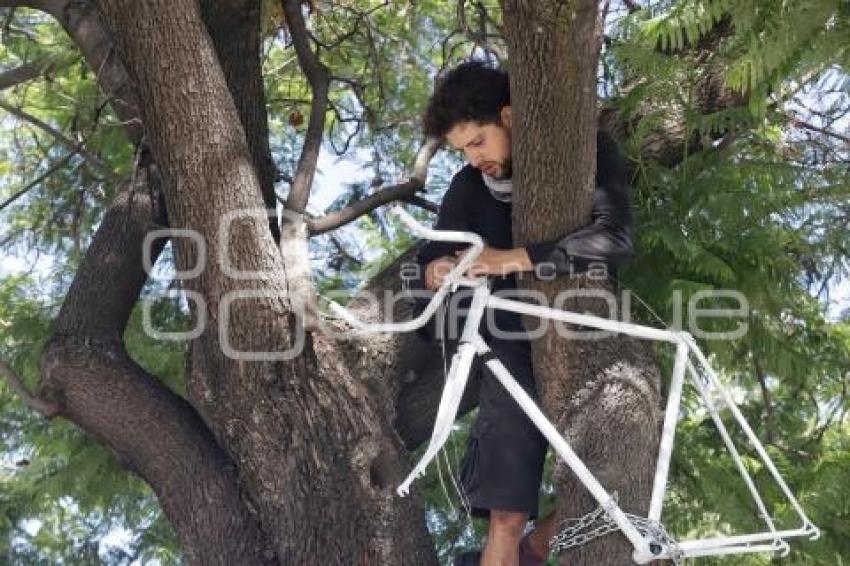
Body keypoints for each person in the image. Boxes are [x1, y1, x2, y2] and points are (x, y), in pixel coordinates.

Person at [411, 61, 634, 566]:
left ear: (509, 116)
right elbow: (427, 268)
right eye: (462, 150)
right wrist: (440, 269)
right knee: (505, 515)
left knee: (611, 495)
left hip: (588, 339)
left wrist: (511, 258)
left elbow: (615, 238)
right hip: (507, 347)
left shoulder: (588, 152)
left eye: (478, 142)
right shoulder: (468, 188)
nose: (473, 159)